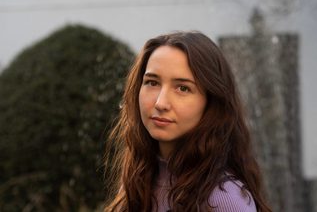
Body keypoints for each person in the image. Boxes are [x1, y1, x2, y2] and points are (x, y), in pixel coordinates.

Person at [104, 31, 272, 212]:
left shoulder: (224, 199)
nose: (160, 103)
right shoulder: (138, 181)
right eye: (152, 83)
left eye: (182, 88)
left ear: (211, 102)